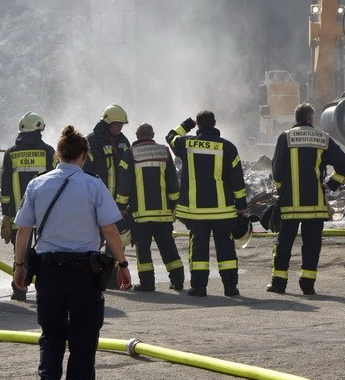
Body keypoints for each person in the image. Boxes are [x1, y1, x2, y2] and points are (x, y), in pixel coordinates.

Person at [12, 125, 132, 380]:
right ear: (85, 155)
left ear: (58, 154)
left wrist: (19, 266)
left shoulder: (38, 185)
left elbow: (24, 230)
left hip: (49, 273)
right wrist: (123, 264)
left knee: (51, 336)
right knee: (82, 344)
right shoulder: (93, 185)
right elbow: (109, 230)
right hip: (84, 274)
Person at [267, 103, 345, 295]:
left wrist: (282, 191)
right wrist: (331, 184)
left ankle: (278, 283)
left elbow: (277, 169)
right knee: (312, 246)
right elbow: (344, 164)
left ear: (296, 119)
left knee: (284, 244)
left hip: (290, 205)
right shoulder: (323, 138)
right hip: (315, 206)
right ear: (311, 119)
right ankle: (308, 285)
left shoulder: (285, 137)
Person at [166, 110, 248, 297]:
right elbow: (237, 180)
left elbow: (171, 136)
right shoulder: (228, 147)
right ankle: (230, 287)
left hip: (197, 212)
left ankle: (199, 287)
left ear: (199, 125)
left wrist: (187, 124)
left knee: (199, 249)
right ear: (215, 123)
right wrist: (241, 204)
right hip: (223, 211)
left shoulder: (187, 144)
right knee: (226, 249)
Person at [116, 123, 184, 292]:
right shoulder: (164, 151)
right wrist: (172, 204)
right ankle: (178, 280)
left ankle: (147, 284)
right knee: (168, 247)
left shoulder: (129, 155)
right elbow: (173, 182)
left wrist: (121, 207)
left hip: (140, 215)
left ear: (137, 136)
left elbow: (124, 184)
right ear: (153, 134)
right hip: (163, 214)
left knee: (143, 251)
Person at [0, 111, 56, 301]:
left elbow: (5, 185)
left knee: (20, 255)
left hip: (18, 214)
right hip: (45, 213)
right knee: (44, 253)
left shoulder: (11, 154)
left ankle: (19, 290)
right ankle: (45, 290)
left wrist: (5, 214)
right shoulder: (49, 152)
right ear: (40, 130)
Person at [85, 104, 131, 202]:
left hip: (119, 200)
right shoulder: (92, 141)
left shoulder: (124, 141)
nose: (120, 128)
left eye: (122, 125)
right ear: (107, 124)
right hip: (97, 198)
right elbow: (86, 171)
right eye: (117, 125)